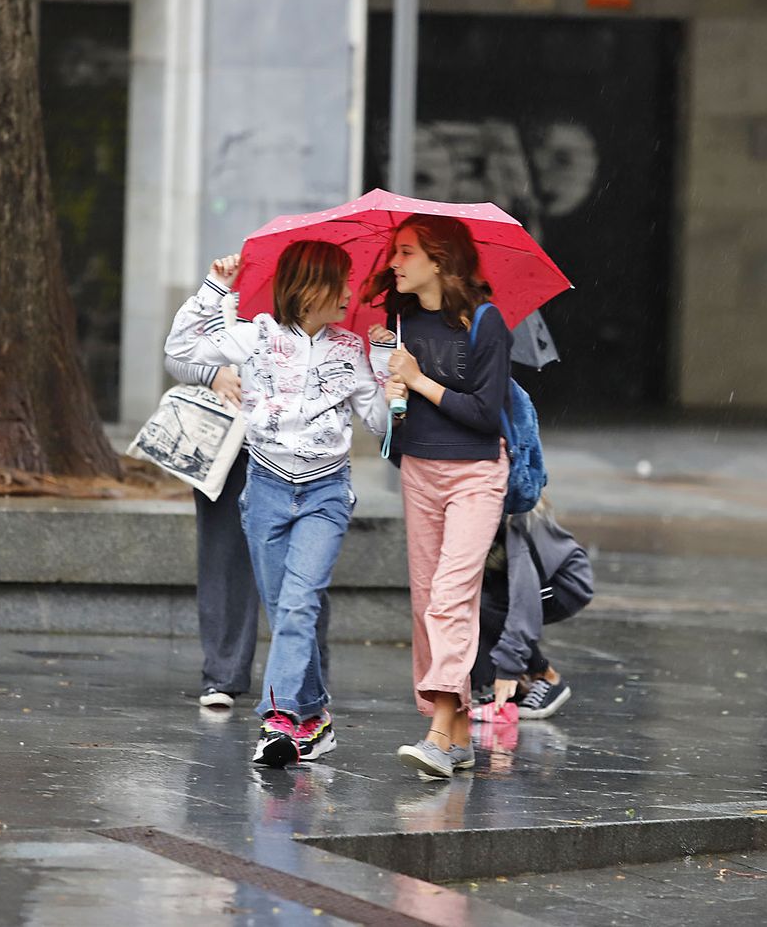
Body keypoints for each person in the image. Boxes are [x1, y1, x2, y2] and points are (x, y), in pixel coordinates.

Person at [166, 242, 398, 768]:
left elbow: (382, 426)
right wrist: (214, 289)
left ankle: (281, 722)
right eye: (339, 282)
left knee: (297, 606)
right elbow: (179, 350)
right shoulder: (257, 336)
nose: (348, 293)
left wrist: (388, 371)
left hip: (325, 493)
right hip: (266, 491)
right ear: (310, 288)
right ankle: (316, 717)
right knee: (287, 612)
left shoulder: (351, 349)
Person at [365, 214, 513, 779]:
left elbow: (484, 414)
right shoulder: (400, 320)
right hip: (419, 469)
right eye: (395, 253)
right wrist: (393, 383)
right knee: (429, 600)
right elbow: (398, 412)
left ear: (440, 260)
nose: (394, 264)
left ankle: (436, 734)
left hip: (475, 471)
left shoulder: (486, 322)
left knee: (450, 596)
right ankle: (453, 734)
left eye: (406, 253)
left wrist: (421, 379)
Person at [162, 355, 334, 715]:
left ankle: (305, 680)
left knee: (302, 566)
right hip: (229, 445)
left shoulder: (322, 310)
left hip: (298, 451)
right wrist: (212, 373)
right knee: (223, 557)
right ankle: (222, 674)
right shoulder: (225, 298)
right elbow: (177, 353)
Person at [469, 499, 591, 721]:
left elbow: (524, 600)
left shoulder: (515, 518)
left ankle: (548, 677)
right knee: (472, 599)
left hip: (563, 584)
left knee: (486, 606)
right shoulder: (479, 511)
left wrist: (508, 667)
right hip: (518, 584)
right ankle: (521, 687)